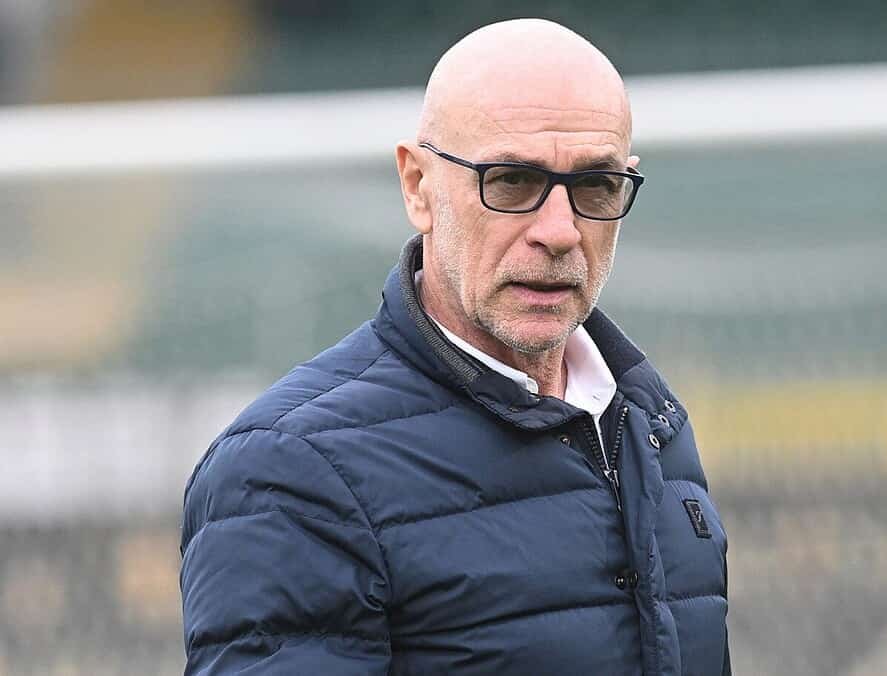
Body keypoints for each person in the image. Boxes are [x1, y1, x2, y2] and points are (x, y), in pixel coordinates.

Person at [179, 18, 730, 675]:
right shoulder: (288, 472)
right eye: (512, 181)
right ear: (418, 187)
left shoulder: (650, 422)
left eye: (596, 185)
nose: (560, 231)